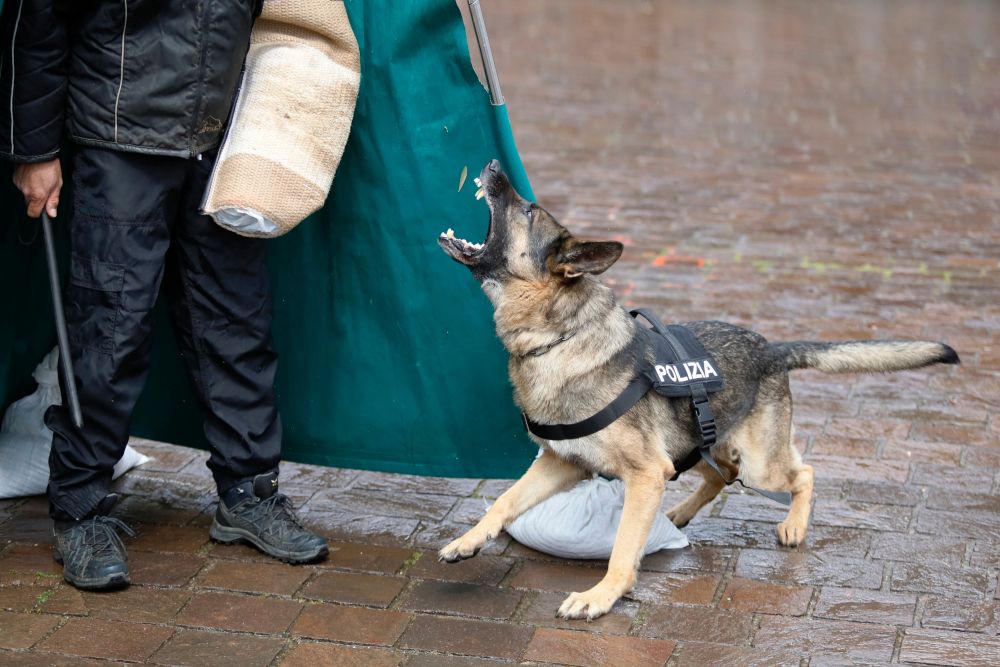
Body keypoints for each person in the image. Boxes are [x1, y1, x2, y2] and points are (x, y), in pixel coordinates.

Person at [0, 0, 328, 591]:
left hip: (226, 138)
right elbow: (38, 20)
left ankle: (248, 495)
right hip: (118, 133)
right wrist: (35, 150)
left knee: (235, 322)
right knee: (109, 331)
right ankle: (79, 510)